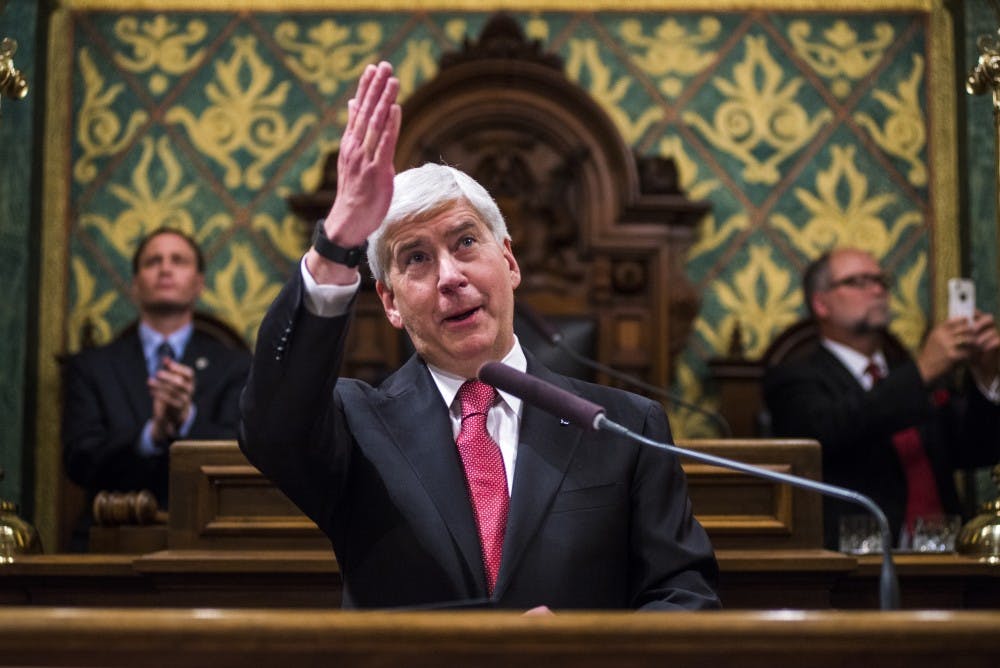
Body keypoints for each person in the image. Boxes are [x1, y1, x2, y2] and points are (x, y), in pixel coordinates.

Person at [239, 61, 719, 611]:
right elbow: (272, 426)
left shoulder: (624, 427)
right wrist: (339, 236)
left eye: (466, 242)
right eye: (416, 258)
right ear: (390, 302)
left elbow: (685, 597)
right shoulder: (353, 423)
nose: (450, 277)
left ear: (509, 261)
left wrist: (582, 651)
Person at [763, 247, 1000, 549]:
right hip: (857, 562)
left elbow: (977, 449)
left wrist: (987, 377)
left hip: (945, 553)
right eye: (858, 281)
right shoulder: (794, 377)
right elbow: (830, 430)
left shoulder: (909, 374)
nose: (877, 290)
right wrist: (922, 370)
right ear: (821, 304)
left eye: (880, 281)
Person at [62, 228, 251, 547]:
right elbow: (79, 459)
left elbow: (243, 452)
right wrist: (152, 433)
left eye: (178, 260)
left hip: (207, 542)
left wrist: (187, 419)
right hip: (109, 539)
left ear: (199, 283)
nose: (165, 268)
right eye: (153, 261)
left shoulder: (238, 366)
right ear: (135, 285)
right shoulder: (92, 367)